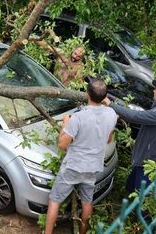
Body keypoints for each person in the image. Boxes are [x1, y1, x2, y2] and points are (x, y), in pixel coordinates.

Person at [45, 79, 117, 234]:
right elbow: (109, 139)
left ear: (87, 94)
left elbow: (62, 145)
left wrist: (65, 124)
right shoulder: (111, 114)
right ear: (105, 96)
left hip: (73, 166)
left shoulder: (78, 117)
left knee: (55, 200)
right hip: (93, 167)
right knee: (87, 202)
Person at [103, 79, 156, 193]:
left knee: (142, 197)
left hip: (150, 164)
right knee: (130, 188)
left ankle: (140, 211)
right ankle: (131, 208)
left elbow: (136, 117)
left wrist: (111, 104)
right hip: (145, 160)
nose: (153, 90)